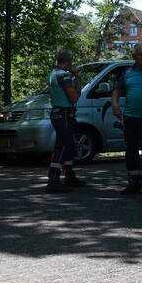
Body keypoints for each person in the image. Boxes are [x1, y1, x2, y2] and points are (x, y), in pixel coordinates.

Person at [111, 44, 142, 195]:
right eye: (140, 54)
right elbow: (117, 90)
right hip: (130, 118)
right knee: (131, 152)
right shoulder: (127, 73)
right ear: (133, 57)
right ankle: (133, 183)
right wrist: (115, 105)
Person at [46, 49, 86, 193]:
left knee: (68, 145)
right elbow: (74, 97)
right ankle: (53, 180)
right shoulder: (65, 76)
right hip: (64, 114)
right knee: (62, 146)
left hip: (57, 113)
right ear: (68, 61)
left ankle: (69, 176)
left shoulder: (53, 74)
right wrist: (75, 74)